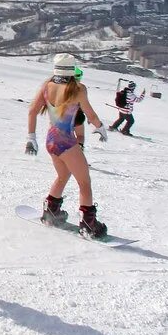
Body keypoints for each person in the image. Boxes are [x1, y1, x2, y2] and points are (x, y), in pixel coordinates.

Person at [26, 54, 110, 238]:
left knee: (63, 175)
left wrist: (31, 137)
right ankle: (88, 223)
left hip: (51, 139)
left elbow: (32, 110)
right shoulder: (78, 88)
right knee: (84, 182)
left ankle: (51, 211)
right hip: (66, 141)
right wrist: (100, 127)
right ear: (72, 69)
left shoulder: (47, 85)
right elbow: (91, 114)